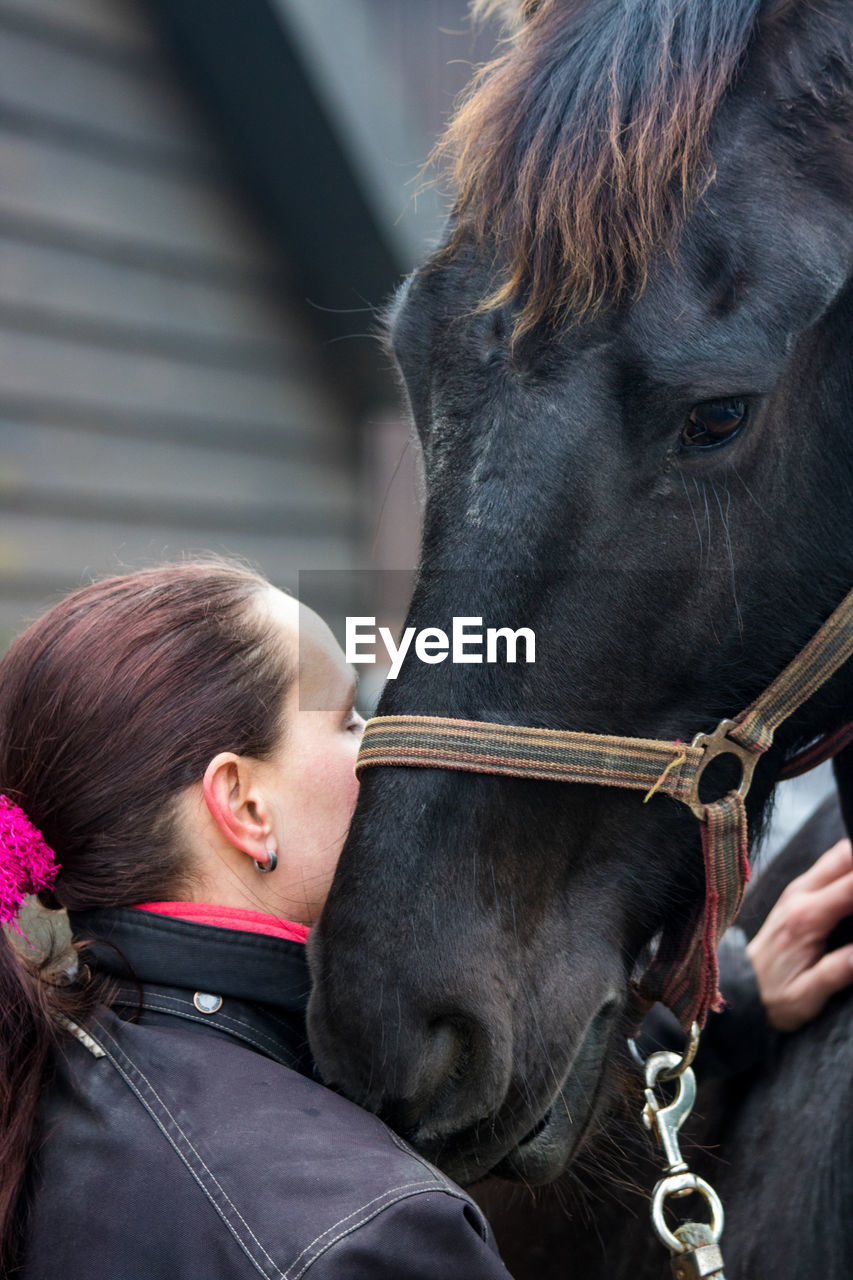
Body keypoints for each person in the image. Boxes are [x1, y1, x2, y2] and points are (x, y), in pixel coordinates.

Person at [0, 558, 851, 1279]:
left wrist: (711, 1007)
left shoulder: (57, 1067)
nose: (381, 751)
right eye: (349, 720)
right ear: (243, 805)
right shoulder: (373, 1236)